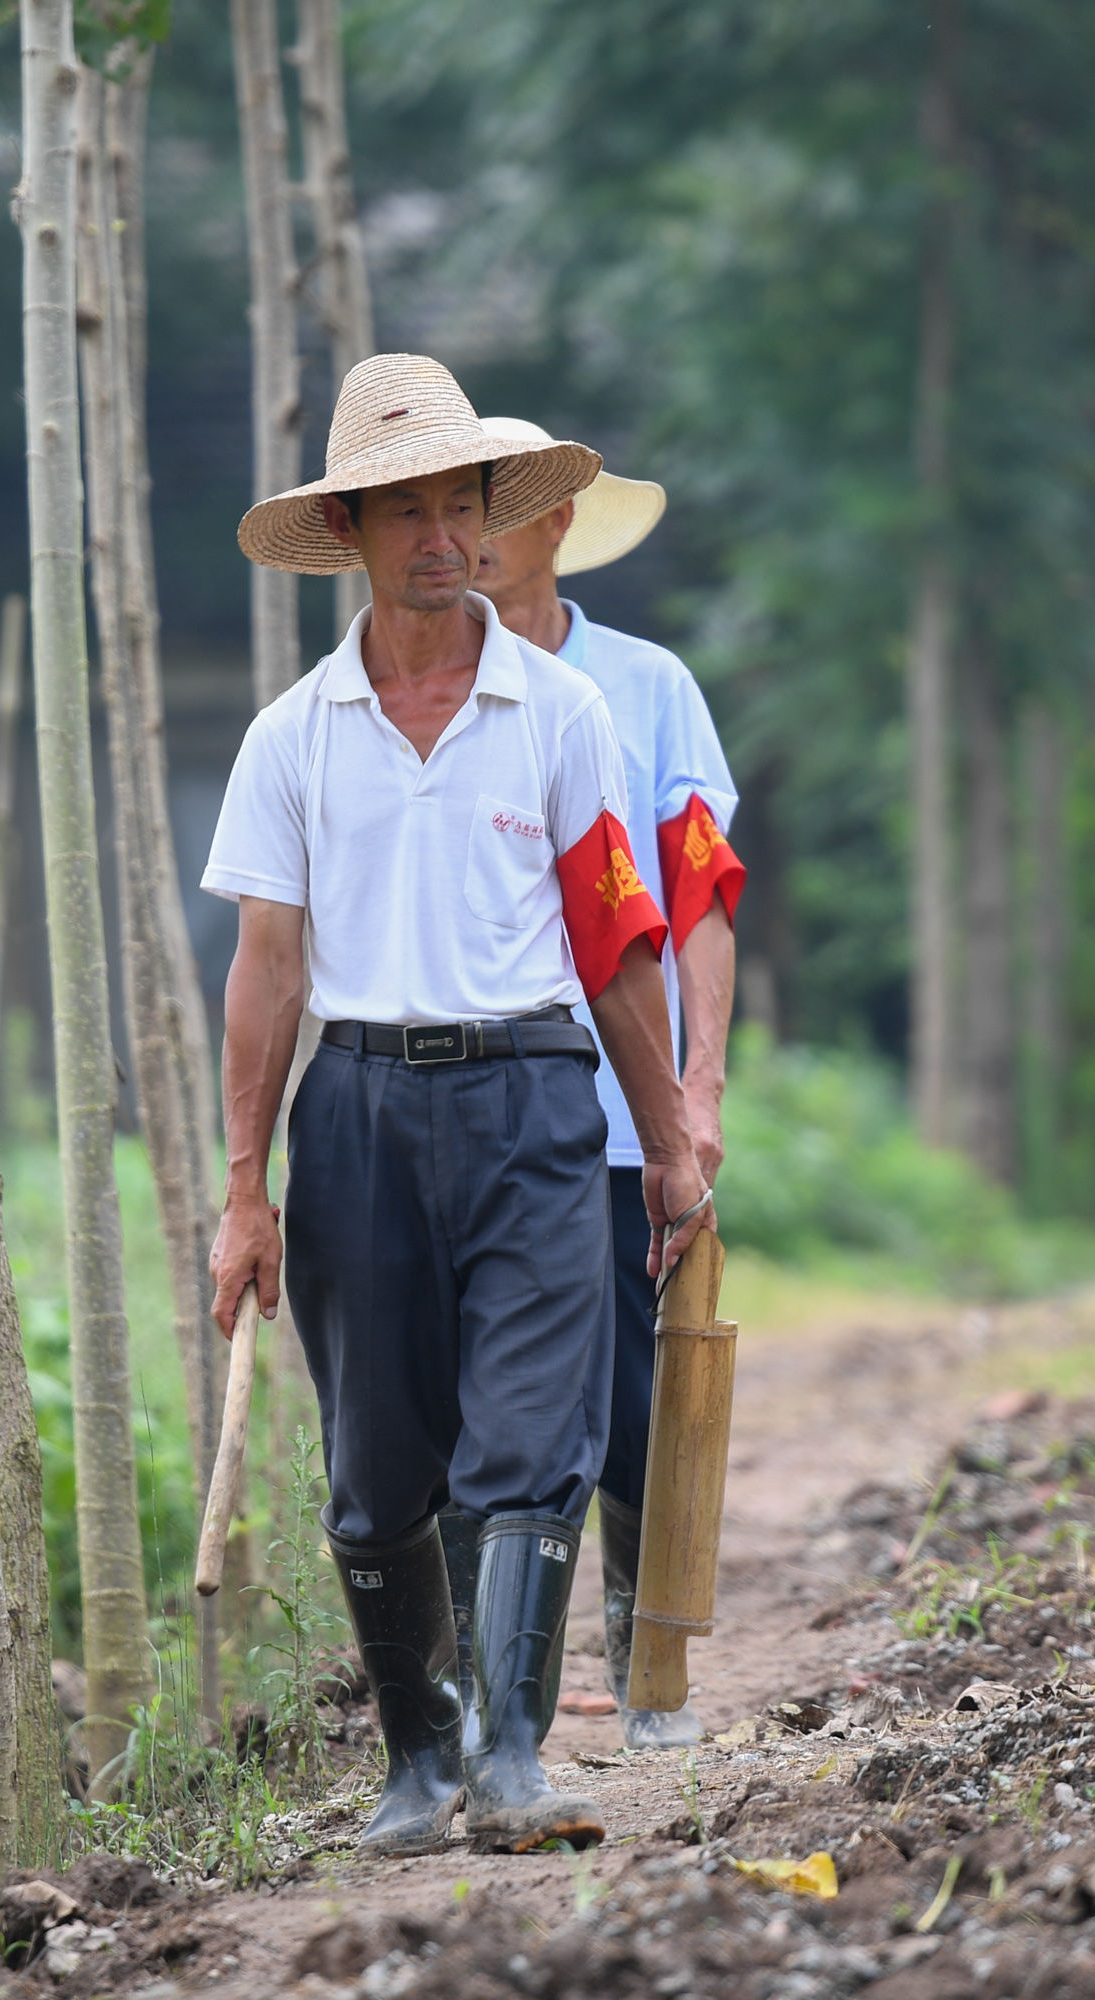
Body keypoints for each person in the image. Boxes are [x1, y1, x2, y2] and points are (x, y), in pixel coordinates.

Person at [204, 354, 713, 1857]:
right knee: (373, 1472)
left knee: (528, 1446)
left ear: (490, 522)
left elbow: (620, 946)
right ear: (350, 534)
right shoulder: (291, 736)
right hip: (356, 1117)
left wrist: (671, 1141)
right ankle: (415, 1764)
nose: (440, 535)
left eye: (459, 506)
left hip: (538, 1101)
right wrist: (247, 1188)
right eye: (406, 510)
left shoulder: (560, 715)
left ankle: (510, 1758)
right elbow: (266, 973)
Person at [448, 417, 745, 1754]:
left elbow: (700, 905)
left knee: (631, 1395)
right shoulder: (421, 689)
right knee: (490, 1398)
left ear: (560, 525)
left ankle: (641, 1654)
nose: (461, 537)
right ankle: (485, 1690)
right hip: (474, 1105)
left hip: (626, 1112)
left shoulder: (650, 691)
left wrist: (699, 1089)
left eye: (491, 510)